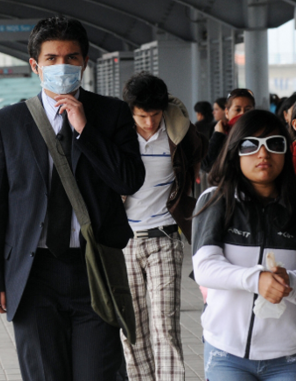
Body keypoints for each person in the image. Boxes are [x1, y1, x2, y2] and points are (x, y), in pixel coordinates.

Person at [0, 16, 145, 381]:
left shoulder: (111, 114)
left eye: (71, 57)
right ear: (35, 65)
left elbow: (130, 180)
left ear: (84, 61)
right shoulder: (9, 121)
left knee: (97, 374)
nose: (62, 66)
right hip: (32, 272)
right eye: (52, 58)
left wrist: (86, 129)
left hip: (93, 269)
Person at [192, 109, 296, 380]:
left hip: (289, 356)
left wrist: (290, 283)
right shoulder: (215, 200)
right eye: (250, 145)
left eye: (274, 144)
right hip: (226, 354)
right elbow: (204, 267)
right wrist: (257, 279)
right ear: (235, 150)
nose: (263, 154)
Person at [120, 73, 206, 381]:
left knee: (165, 324)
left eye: (154, 114)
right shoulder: (119, 135)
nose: (149, 122)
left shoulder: (178, 132)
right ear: (131, 111)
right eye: (141, 115)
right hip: (124, 242)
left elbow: (200, 153)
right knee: (131, 326)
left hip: (165, 237)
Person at [202, 89, 255, 174]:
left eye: (248, 110)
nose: (243, 114)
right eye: (237, 110)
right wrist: (218, 135)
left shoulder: (260, 133)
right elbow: (207, 165)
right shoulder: (221, 134)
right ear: (227, 112)